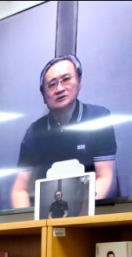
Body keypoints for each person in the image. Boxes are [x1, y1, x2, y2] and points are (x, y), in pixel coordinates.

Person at [11, 55, 117, 208]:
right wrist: (29, 220)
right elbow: (20, 189)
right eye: (52, 84)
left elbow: (105, 176)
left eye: (66, 79)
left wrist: (80, 215)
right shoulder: (34, 132)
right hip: (46, 214)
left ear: (79, 82)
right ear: (43, 96)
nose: (59, 89)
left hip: (92, 212)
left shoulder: (99, 117)